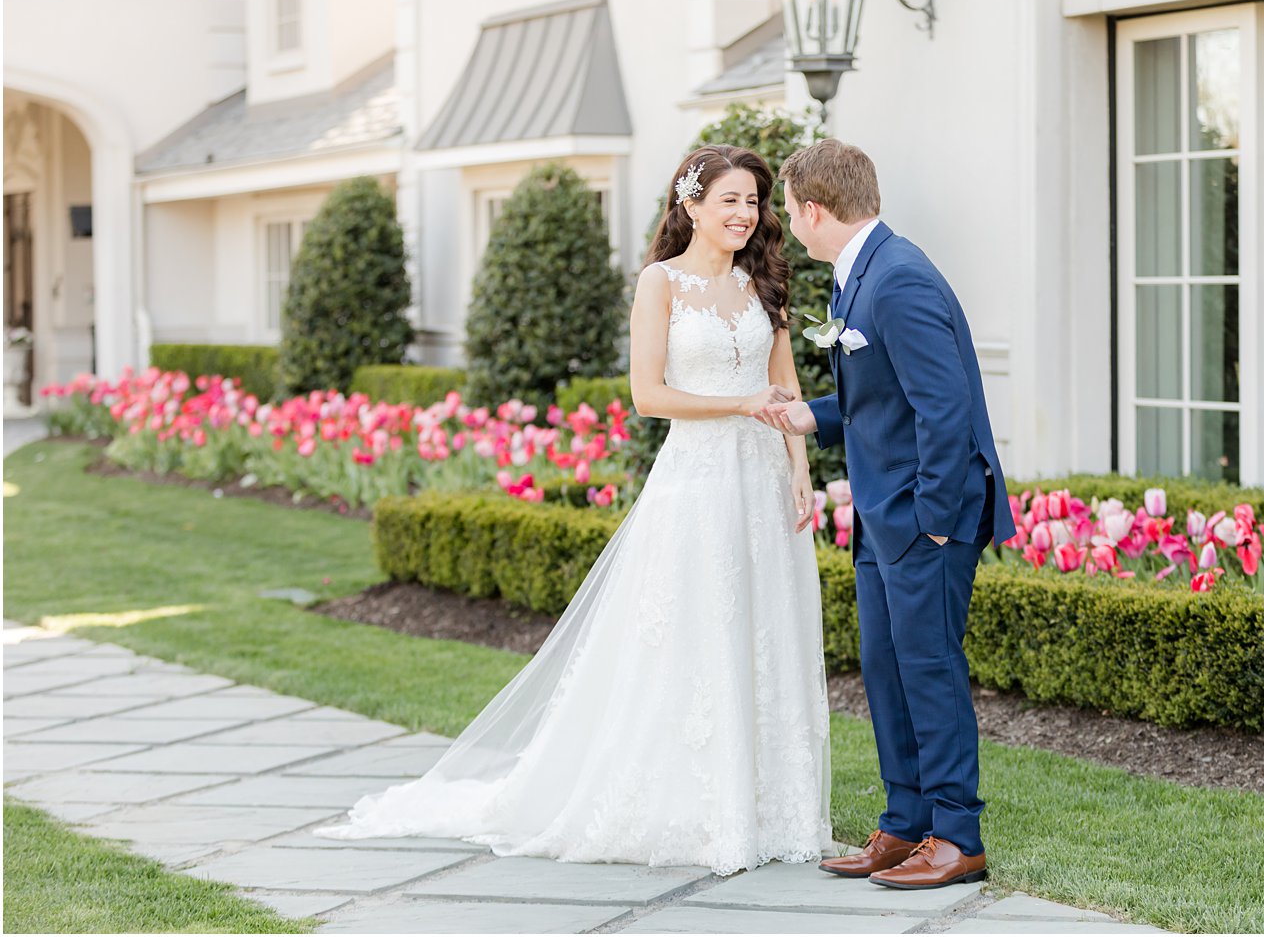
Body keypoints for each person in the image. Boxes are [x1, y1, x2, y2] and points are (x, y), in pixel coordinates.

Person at [315, 145, 832, 877]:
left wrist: (799, 467)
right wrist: (738, 403)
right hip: (696, 480)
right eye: (731, 201)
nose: (746, 215)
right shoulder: (660, 283)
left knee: (763, 629)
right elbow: (648, 396)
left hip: (760, 481)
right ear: (691, 205)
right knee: (693, 632)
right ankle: (697, 806)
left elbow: (785, 386)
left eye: (753, 202)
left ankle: (770, 804)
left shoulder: (764, 283)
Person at [755, 138, 1016, 890]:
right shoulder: (857, 275)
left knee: (928, 669)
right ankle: (904, 824)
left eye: (789, 213)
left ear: (813, 209)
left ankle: (957, 835)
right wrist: (814, 415)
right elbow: (889, 397)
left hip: (923, 518)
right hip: (881, 515)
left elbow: (946, 408)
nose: (788, 227)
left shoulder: (897, 279)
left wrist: (933, 518)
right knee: (884, 665)